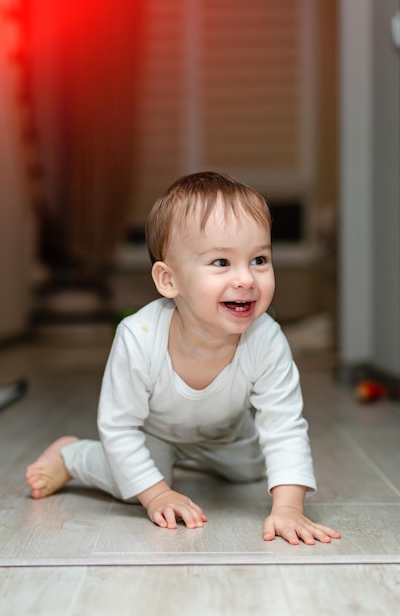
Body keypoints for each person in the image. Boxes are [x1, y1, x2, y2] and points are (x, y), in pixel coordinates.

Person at [26, 171, 341, 546]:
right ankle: (72, 456)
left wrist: (288, 508)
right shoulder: (138, 337)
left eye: (259, 259)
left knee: (252, 472)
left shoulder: (265, 337)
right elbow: (120, 427)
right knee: (137, 478)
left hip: (229, 433)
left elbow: (284, 424)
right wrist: (157, 493)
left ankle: (196, 461)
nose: (246, 279)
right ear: (168, 281)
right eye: (221, 263)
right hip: (155, 431)